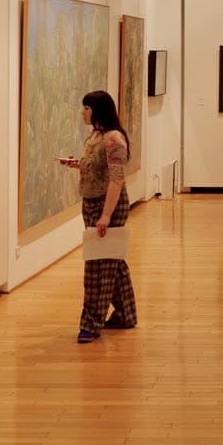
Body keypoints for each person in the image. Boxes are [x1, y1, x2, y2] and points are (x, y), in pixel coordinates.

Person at [58, 90, 137, 343]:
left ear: (98, 111)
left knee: (98, 267)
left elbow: (116, 180)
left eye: (87, 108)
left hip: (108, 205)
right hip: (92, 204)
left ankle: (91, 323)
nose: (82, 112)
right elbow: (98, 167)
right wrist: (77, 164)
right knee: (112, 260)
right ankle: (126, 314)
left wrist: (105, 215)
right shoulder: (95, 137)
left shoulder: (114, 140)